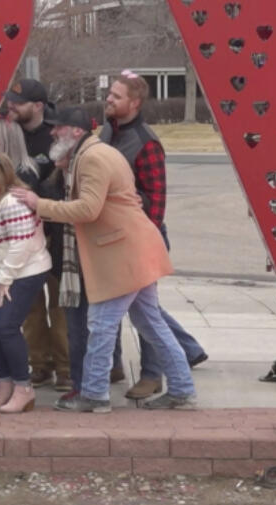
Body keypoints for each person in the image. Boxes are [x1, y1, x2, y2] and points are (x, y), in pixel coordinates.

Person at [11, 105, 196, 412]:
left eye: (59, 128)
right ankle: (182, 389)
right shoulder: (92, 153)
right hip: (132, 251)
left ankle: (95, 395)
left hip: (123, 253)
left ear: (76, 132)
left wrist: (37, 203)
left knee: (101, 323)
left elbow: (88, 209)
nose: (53, 132)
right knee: (150, 323)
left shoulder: (93, 158)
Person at [101, 71, 208, 401]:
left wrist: (128, 208)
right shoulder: (107, 131)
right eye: (110, 94)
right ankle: (114, 365)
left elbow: (156, 204)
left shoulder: (146, 143)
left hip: (140, 239)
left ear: (133, 103)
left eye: (116, 97)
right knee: (128, 308)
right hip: (112, 237)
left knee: (145, 313)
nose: (108, 99)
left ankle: (152, 376)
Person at [0, 150, 52, 413]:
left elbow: (21, 244)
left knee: (6, 326)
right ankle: (4, 382)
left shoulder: (12, 202)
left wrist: (4, 279)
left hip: (25, 270)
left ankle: (23, 388)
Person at [5, 79, 73, 392]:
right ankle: (39, 365)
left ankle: (65, 368)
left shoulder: (56, 133)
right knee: (29, 306)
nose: (12, 107)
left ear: (38, 106)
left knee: (59, 303)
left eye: (18, 102)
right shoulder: (10, 133)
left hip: (56, 231)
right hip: (21, 232)